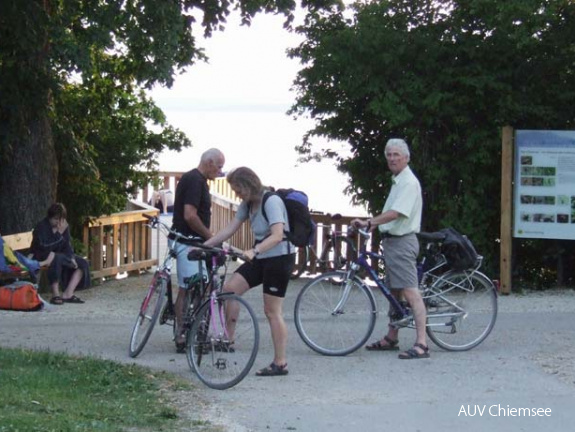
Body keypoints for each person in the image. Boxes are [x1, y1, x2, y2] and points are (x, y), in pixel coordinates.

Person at [203, 167, 295, 376]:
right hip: (261, 257)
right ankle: (228, 339)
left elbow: (278, 235)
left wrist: (254, 250)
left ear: (248, 185)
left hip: (279, 258)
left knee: (272, 311)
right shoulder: (248, 203)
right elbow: (230, 228)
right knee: (230, 290)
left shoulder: (271, 201)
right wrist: (205, 246)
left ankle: (280, 363)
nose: (236, 195)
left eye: (238, 190)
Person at [351, 138, 429, 360]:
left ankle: (422, 344)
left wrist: (369, 222)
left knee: (411, 292)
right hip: (393, 242)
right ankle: (391, 337)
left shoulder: (408, 183)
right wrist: (371, 223)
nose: (392, 158)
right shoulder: (398, 181)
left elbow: (396, 213)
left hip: (403, 242)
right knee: (394, 292)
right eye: (389, 155)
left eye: (396, 154)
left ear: (406, 157)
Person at [171, 148, 225, 352]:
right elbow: (190, 215)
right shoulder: (194, 181)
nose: (220, 171)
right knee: (188, 286)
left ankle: (195, 328)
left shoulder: (197, 180)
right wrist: (211, 237)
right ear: (209, 162)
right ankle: (182, 334)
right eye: (219, 166)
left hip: (193, 240)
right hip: (187, 241)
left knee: (204, 283)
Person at [30, 203, 90, 305]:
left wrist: (71, 257)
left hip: (59, 254)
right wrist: (58, 233)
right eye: (56, 219)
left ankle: (68, 293)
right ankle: (55, 294)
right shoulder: (41, 227)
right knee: (55, 257)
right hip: (42, 255)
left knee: (82, 263)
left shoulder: (63, 226)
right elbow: (45, 246)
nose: (58, 222)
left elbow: (67, 244)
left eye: (61, 219)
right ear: (50, 217)